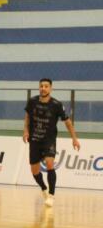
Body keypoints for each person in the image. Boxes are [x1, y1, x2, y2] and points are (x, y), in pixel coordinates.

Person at [23, 78, 81, 207]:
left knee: (50, 164)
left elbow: (68, 122)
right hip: (34, 139)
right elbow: (27, 117)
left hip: (48, 140)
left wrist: (74, 139)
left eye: (46, 86)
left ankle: (51, 195)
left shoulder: (56, 105)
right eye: (41, 86)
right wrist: (25, 131)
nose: (43, 88)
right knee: (34, 171)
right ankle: (44, 188)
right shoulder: (32, 101)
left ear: (51, 88)